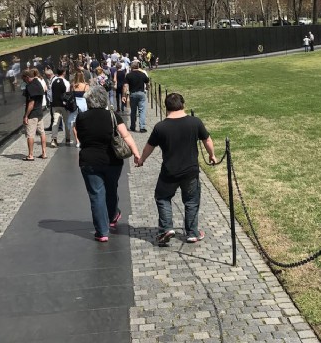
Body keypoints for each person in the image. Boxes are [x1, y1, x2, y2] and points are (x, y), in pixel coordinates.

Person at [136, 92, 216, 245]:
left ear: (166, 107)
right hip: (190, 171)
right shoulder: (195, 122)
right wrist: (212, 155)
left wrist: (141, 160)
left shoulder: (161, 127)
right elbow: (207, 139)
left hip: (169, 172)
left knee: (162, 197)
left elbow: (149, 147)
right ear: (183, 105)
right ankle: (192, 233)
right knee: (191, 201)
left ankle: (166, 228)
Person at [74, 85, 140, 242]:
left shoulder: (81, 117)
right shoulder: (113, 116)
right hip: (112, 160)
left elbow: (79, 136)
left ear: (89, 101)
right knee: (111, 189)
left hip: (89, 160)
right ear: (104, 99)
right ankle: (112, 216)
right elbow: (126, 136)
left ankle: (102, 232)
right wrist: (136, 153)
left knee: (96, 195)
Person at [22, 68, 47, 160]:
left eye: (23, 79)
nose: (23, 81)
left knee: (30, 135)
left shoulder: (30, 87)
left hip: (32, 114)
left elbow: (31, 103)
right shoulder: (38, 82)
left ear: (27, 77)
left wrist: (26, 115)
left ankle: (30, 155)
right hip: (40, 111)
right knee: (42, 132)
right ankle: (44, 153)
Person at [124, 59, 149, 133]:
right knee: (142, 111)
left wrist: (125, 95)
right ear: (138, 66)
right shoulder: (142, 74)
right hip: (141, 93)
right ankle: (142, 127)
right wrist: (147, 88)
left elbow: (125, 86)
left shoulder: (128, 75)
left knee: (133, 111)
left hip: (133, 94)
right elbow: (147, 82)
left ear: (131, 68)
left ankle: (132, 126)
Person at [49, 67, 73, 147]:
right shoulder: (66, 82)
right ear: (64, 73)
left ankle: (54, 139)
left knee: (55, 122)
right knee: (67, 122)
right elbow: (68, 94)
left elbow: (51, 93)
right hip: (64, 105)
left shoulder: (53, 81)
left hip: (55, 105)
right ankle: (68, 139)